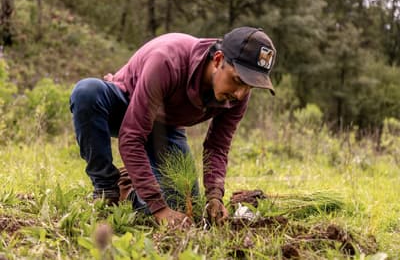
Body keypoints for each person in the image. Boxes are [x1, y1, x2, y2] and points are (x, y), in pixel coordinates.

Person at [69, 26, 276, 228]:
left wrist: (215, 196)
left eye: (250, 86)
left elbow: (217, 146)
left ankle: (128, 185)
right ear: (218, 59)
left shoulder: (238, 96)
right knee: (87, 92)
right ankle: (107, 188)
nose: (240, 93)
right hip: (125, 105)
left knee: (184, 207)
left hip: (165, 127)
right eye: (238, 80)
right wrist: (158, 208)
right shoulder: (168, 61)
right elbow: (131, 136)